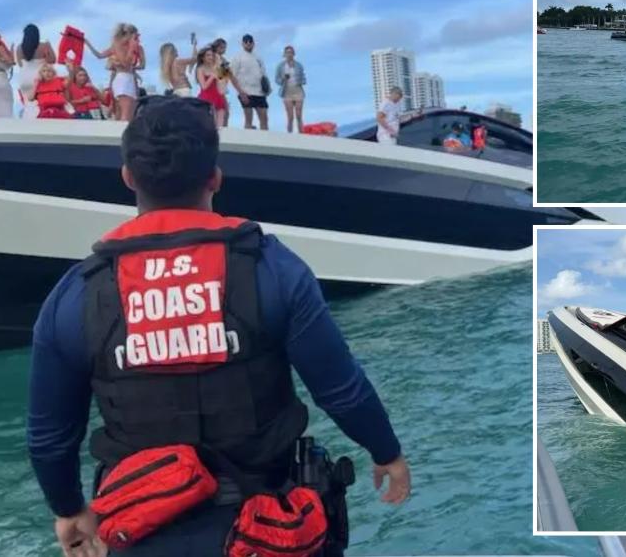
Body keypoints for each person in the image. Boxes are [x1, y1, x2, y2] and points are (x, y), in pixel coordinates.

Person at [27, 98, 411, 556]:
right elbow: (340, 389)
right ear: (215, 177)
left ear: (128, 178)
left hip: (140, 535)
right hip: (266, 532)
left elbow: (50, 436)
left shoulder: (76, 294)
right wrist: (386, 452)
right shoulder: (272, 268)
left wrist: (68, 509)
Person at [85, 23, 145, 121]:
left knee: (130, 113)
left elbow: (142, 65)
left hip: (131, 80)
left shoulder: (138, 48)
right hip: (122, 78)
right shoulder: (118, 46)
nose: (136, 38)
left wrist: (133, 68)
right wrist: (87, 43)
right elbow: (100, 55)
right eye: (135, 35)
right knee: (124, 112)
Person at [17, 24, 57, 119]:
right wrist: (49, 46)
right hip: (39, 77)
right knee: (41, 104)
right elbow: (52, 60)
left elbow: (20, 64)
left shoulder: (19, 48)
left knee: (28, 104)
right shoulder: (44, 46)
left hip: (24, 78)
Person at [232, 34, 269, 130]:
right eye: (246, 42)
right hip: (245, 92)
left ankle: (264, 141)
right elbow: (232, 76)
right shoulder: (237, 57)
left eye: (250, 41)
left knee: (264, 119)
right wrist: (240, 92)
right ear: (242, 43)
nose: (248, 43)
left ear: (253, 43)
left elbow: (263, 76)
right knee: (249, 119)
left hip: (259, 92)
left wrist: (267, 89)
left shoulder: (259, 58)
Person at [211, 38, 248, 127]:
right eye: (221, 47)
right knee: (220, 114)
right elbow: (222, 75)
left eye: (224, 48)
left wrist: (240, 91)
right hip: (213, 89)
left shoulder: (223, 60)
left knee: (224, 113)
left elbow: (229, 76)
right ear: (216, 47)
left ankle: (222, 135)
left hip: (221, 89)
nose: (223, 50)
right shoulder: (213, 58)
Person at [274, 45, 307, 133]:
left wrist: (302, 81)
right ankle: (290, 136)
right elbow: (276, 80)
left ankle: (301, 135)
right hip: (286, 92)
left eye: (291, 52)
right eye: (287, 52)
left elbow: (303, 77)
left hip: (298, 91)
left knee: (299, 115)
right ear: (284, 54)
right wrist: (283, 79)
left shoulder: (299, 65)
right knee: (290, 117)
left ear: (294, 54)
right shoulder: (280, 66)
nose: (289, 54)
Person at [196, 46, 228, 127]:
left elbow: (224, 81)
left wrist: (221, 64)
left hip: (218, 97)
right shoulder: (200, 69)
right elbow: (204, 86)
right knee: (210, 125)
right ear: (203, 57)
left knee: (220, 126)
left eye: (212, 55)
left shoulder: (216, 66)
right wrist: (212, 76)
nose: (211, 57)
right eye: (208, 55)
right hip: (206, 98)